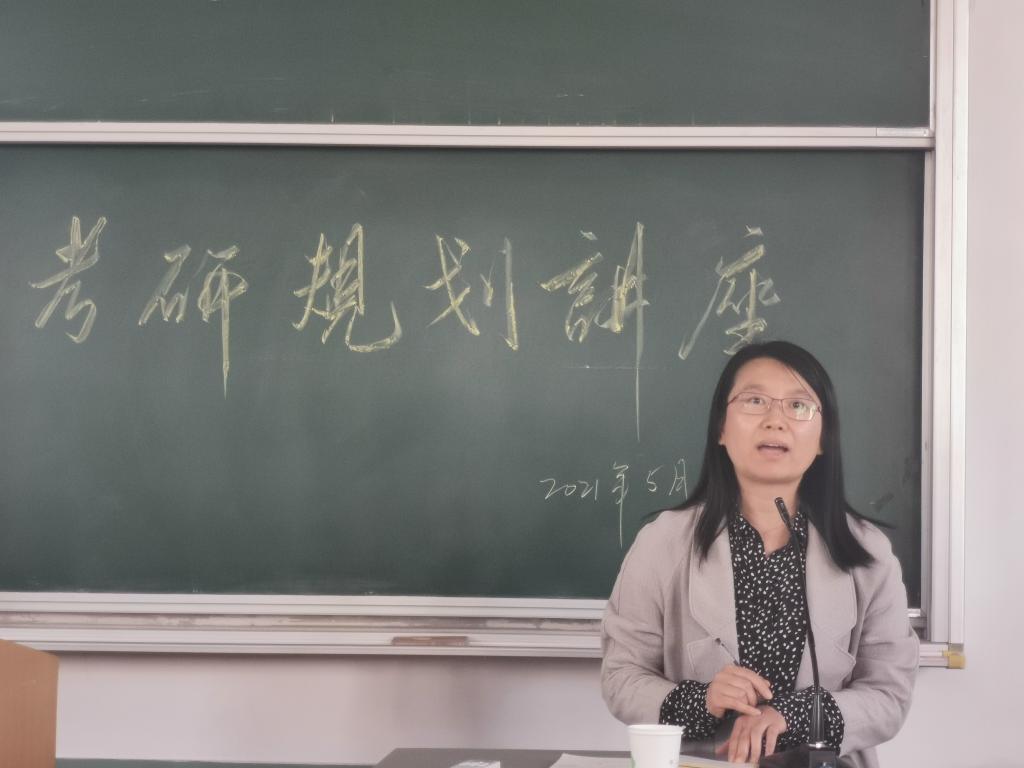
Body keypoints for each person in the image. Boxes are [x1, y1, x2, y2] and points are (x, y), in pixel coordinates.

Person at [601, 341, 917, 767]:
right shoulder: (663, 542)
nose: (775, 420)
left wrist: (796, 715)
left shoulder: (868, 553)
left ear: (823, 438)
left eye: (798, 406)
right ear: (721, 428)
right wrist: (702, 700)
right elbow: (621, 676)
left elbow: (889, 694)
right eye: (754, 401)